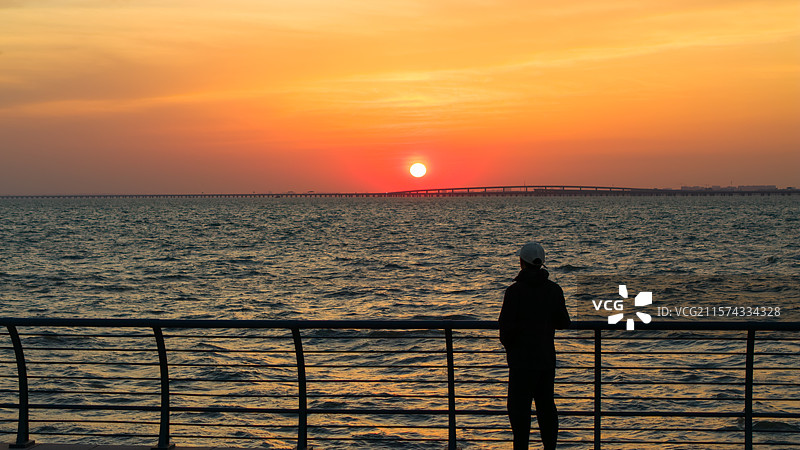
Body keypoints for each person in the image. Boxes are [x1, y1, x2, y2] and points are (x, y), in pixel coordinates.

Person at [499, 241, 571, 449]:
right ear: (542, 264)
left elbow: (505, 332)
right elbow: (564, 322)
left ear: (521, 262)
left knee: (519, 416)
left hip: (520, 364)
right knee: (547, 410)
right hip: (545, 361)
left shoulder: (514, 292)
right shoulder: (554, 290)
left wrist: (513, 349)